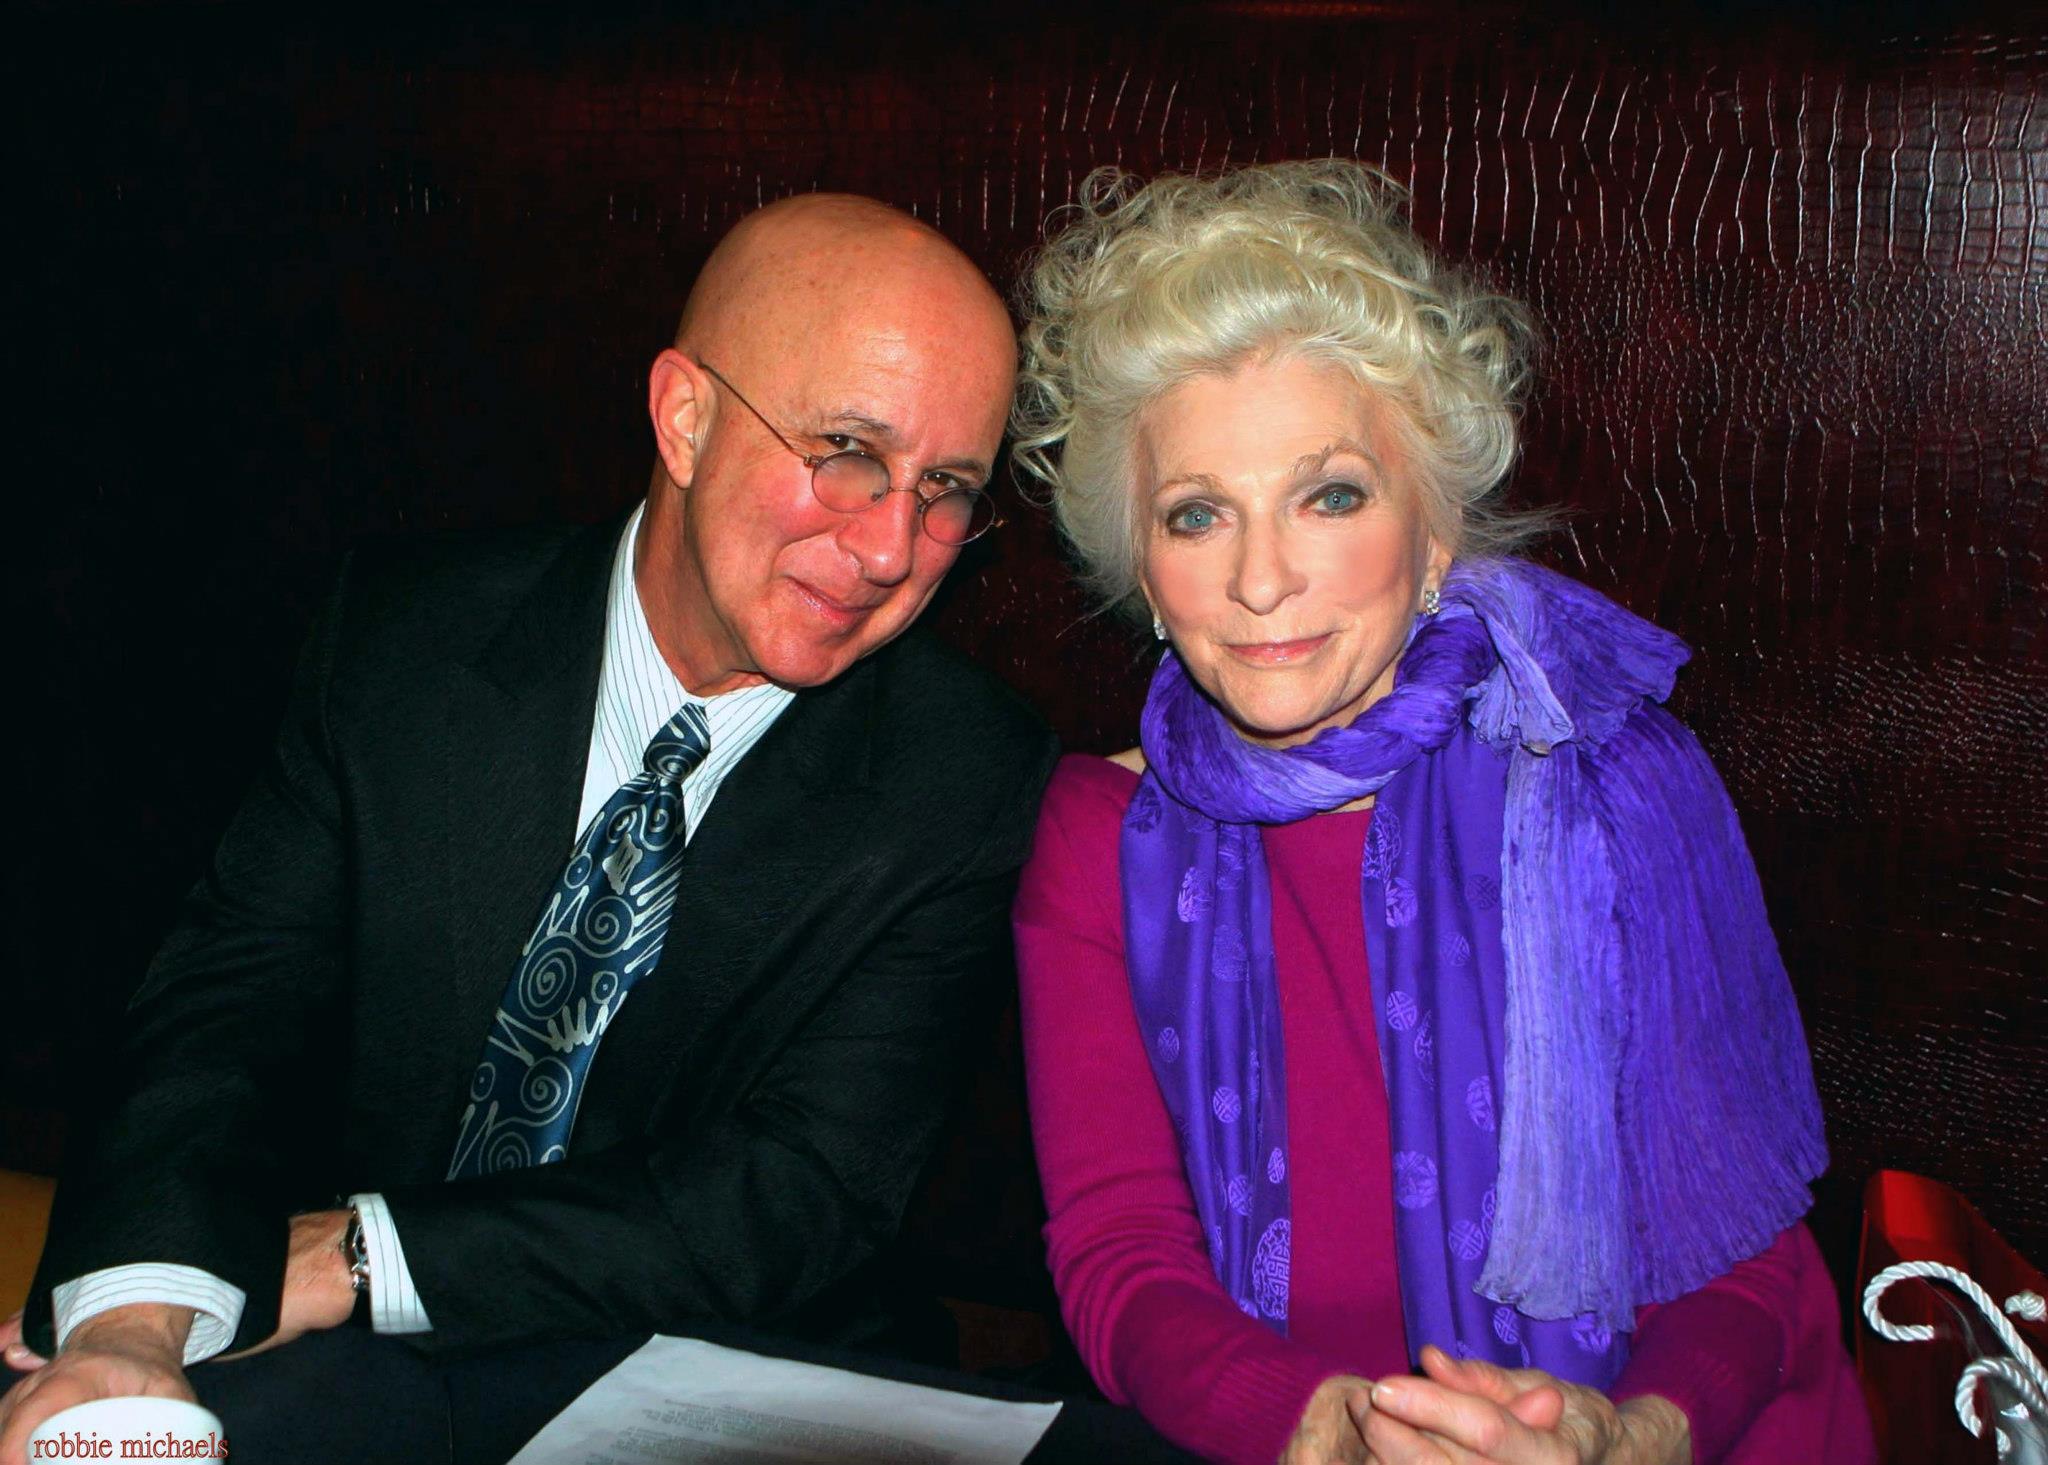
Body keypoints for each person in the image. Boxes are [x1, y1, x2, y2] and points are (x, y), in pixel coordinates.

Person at [1, 193, 1058, 1463]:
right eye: (844, 450)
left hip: (732, 1371)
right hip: (353, 1366)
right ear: (684, 416)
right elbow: (227, 1002)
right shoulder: (404, 637)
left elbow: (800, 1195)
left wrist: (356, 1253)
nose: (892, 545)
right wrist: (133, 1324)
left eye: (946, 488)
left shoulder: (967, 773)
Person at [1008, 160, 1876, 1465]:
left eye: (1331, 494)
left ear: (1429, 535)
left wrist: (1622, 1434)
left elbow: (1744, 1249)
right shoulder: (1096, 842)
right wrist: (1328, 1432)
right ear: (1143, 561)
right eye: (1198, 515)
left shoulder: (1606, 775)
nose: (1260, 578)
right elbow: (1120, 1254)